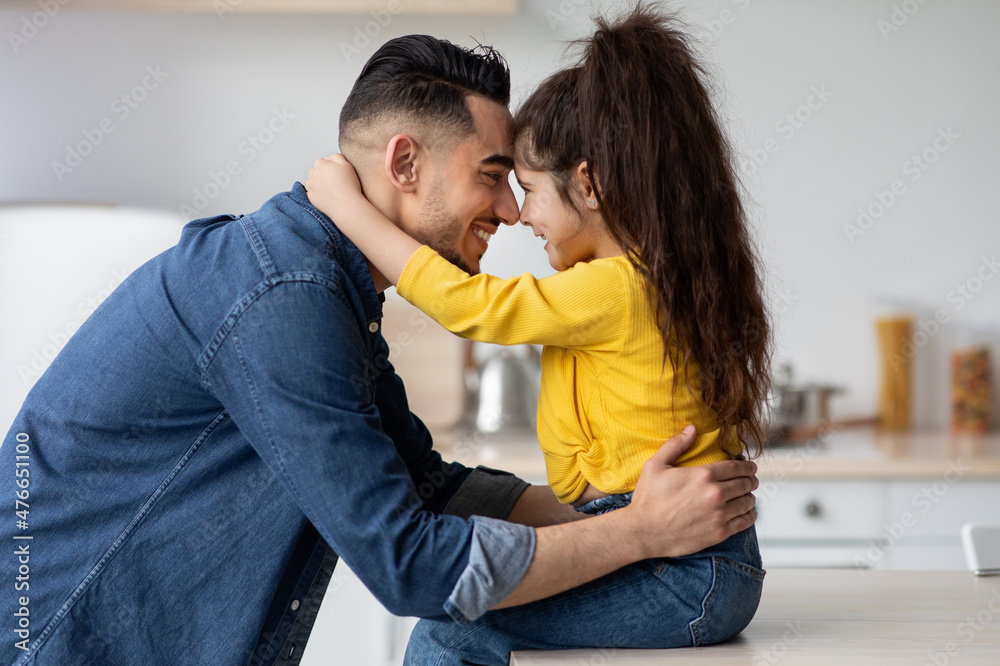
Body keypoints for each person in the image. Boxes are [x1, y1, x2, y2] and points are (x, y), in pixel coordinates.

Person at [0, 30, 758, 666]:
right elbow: (412, 565)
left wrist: (622, 511)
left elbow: (421, 485)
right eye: (494, 178)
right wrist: (638, 530)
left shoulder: (319, 289)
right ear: (404, 164)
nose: (508, 210)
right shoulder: (281, 298)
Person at [303, 5, 772, 663]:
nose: (518, 217)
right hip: (689, 565)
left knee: (448, 634)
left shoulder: (615, 286)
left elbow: (474, 307)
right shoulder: (634, 280)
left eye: (525, 188)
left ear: (591, 184)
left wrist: (347, 207)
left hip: (683, 574)